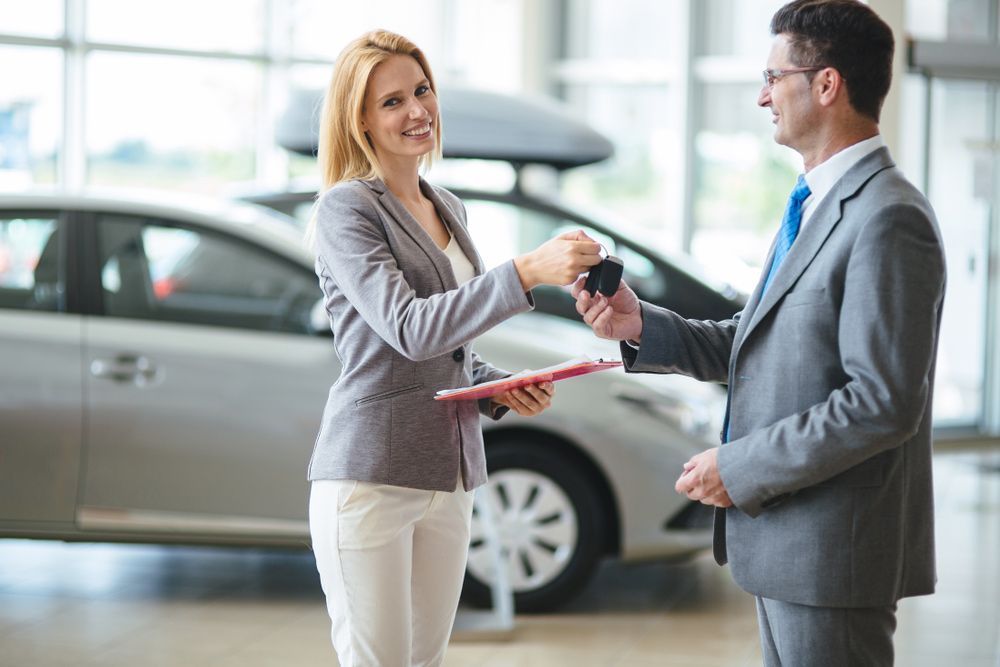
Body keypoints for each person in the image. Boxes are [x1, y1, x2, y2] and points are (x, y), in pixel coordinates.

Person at [574, 1, 946, 664]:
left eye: (773, 77)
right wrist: (641, 324)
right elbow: (761, 341)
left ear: (826, 84)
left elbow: (882, 402)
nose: (762, 96)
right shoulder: (815, 202)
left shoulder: (889, 219)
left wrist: (740, 466)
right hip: (791, 546)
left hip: (834, 557)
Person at [306, 30, 601, 667]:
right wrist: (523, 273)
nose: (418, 111)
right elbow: (409, 329)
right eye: (392, 102)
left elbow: (448, 350)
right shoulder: (346, 210)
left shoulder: (449, 206)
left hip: (450, 475)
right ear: (359, 118)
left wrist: (495, 387)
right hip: (371, 474)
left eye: (422, 90)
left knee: (426, 661)